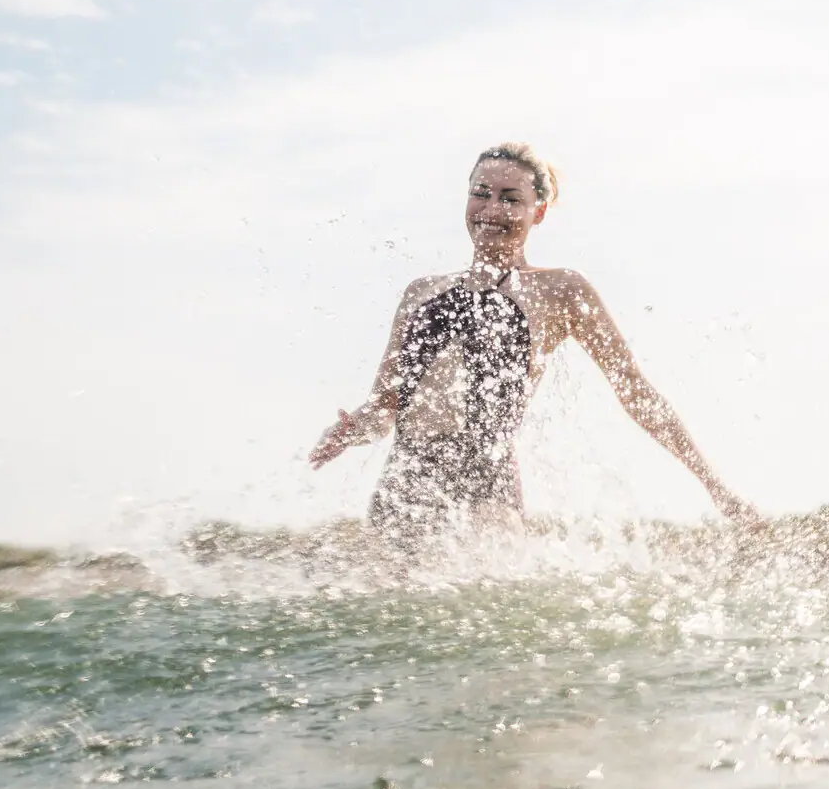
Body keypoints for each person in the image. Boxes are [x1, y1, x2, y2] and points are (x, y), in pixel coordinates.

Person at [309, 142, 759, 544]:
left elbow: (636, 393)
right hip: (405, 485)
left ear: (538, 212)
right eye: (481, 193)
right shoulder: (420, 292)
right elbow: (387, 405)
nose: (491, 209)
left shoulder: (562, 291)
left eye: (511, 199)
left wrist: (716, 487)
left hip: (487, 484)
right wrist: (351, 430)